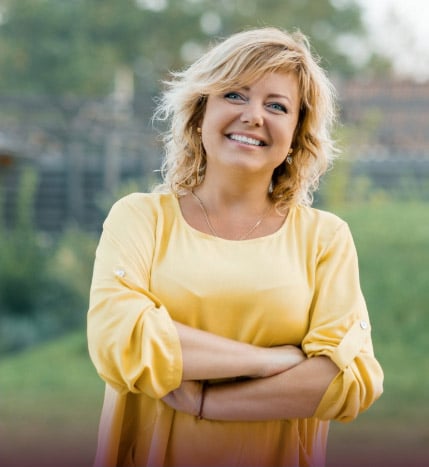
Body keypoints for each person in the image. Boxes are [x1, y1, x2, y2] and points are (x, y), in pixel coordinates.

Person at [87, 27, 383, 467]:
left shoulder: (325, 238)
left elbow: (349, 377)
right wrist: (268, 362)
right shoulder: (139, 218)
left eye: (277, 105)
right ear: (200, 111)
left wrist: (208, 404)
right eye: (235, 95)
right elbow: (119, 340)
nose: (253, 116)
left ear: (297, 133)